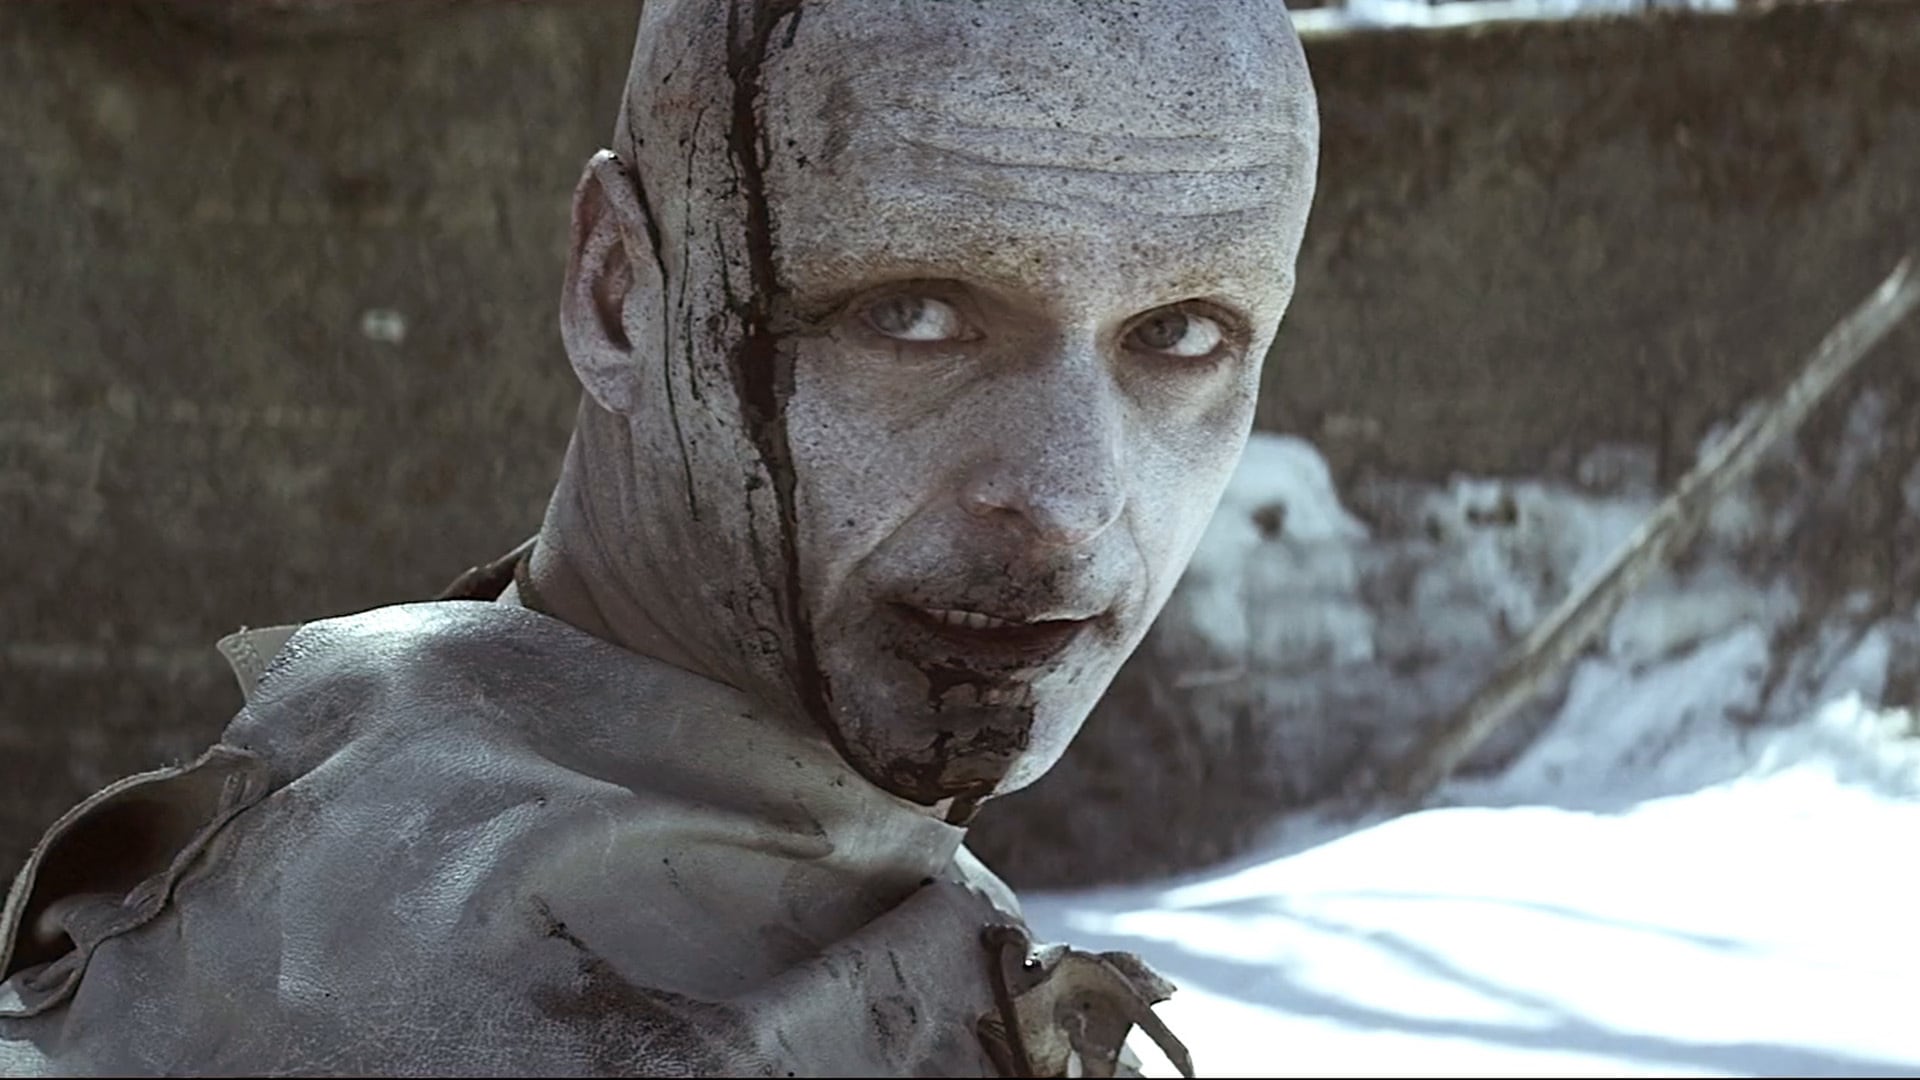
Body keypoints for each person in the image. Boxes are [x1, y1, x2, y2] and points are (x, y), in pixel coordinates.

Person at [0, 1, 1317, 1074]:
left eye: (1181, 334)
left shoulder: (425, 760)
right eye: (912, 314)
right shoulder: (521, 1014)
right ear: (621, 298)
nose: (1071, 495)